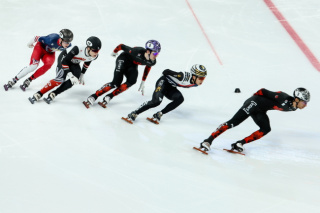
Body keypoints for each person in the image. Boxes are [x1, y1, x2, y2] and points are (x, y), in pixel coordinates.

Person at [197, 87, 310, 153]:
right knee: (233, 123)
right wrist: (252, 100)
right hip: (253, 103)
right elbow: (263, 91)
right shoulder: (282, 97)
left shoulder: (293, 108)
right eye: (304, 102)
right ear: (297, 98)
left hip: (260, 110)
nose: (305, 105)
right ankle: (207, 141)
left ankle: (239, 144)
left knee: (266, 129)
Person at [82, 40, 161, 108]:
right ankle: (94, 96)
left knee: (132, 81)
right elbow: (122, 46)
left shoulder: (152, 61)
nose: (156, 56)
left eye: (157, 54)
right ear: (148, 51)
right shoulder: (136, 51)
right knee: (116, 83)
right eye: (154, 53)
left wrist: (143, 81)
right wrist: (114, 52)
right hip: (123, 59)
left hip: (132, 64)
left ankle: (110, 96)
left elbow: (148, 66)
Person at [122, 64, 207, 124]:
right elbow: (166, 71)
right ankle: (134, 113)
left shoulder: (196, 83)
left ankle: (159, 114)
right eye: (201, 78)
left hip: (170, 87)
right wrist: (174, 75)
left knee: (180, 99)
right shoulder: (182, 76)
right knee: (156, 101)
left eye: (204, 78)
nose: (202, 80)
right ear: (193, 76)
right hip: (163, 82)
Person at [28, 36, 101, 104]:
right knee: (60, 79)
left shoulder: (95, 56)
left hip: (74, 63)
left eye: (98, 50)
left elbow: (87, 61)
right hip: (64, 59)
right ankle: (39, 93)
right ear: (88, 48)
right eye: (94, 50)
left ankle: (54, 93)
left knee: (75, 80)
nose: (96, 53)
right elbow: (64, 62)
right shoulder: (78, 49)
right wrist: (69, 74)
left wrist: (82, 74)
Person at [4, 29, 73, 91]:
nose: (68, 44)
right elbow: (36, 37)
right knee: (33, 66)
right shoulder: (51, 39)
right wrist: (29, 44)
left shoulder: (68, 46)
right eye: (66, 42)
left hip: (49, 53)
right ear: (60, 39)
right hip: (39, 48)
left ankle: (29, 80)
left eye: (69, 42)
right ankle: (15, 79)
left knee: (48, 65)